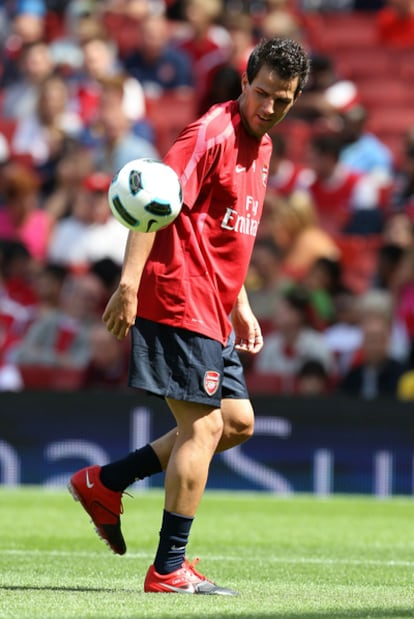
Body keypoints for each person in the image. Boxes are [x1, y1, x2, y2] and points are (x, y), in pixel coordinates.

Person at [68, 37, 310, 595]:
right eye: (263, 93)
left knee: (237, 423)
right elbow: (152, 201)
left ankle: (107, 482)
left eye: (284, 100)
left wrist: (241, 304)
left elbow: (227, 233)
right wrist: (128, 285)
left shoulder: (264, 146)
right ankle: (169, 569)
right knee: (203, 427)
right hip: (177, 295)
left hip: (215, 306)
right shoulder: (210, 133)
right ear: (245, 80)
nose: (269, 108)